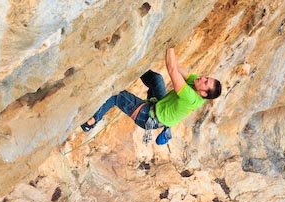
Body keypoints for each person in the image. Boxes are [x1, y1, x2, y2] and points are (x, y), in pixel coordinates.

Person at [81, 48, 222, 145]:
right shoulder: (196, 83)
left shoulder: (192, 98)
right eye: (206, 78)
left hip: (149, 117)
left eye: (206, 82)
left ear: (203, 94)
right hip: (160, 105)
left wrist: (170, 46)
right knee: (156, 78)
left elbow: (172, 70)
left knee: (117, 96)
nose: (203, 78)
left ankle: (91, 121)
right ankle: (133, 66)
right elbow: (178, 68)